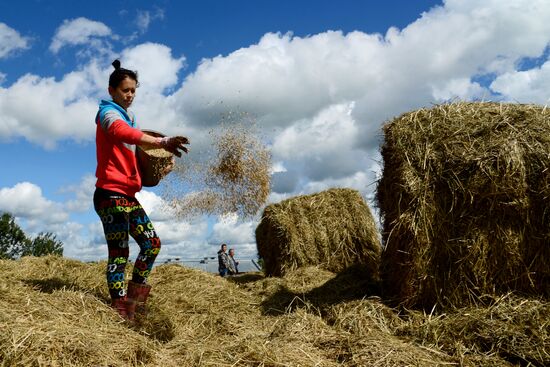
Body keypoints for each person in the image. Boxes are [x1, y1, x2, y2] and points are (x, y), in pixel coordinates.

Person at [93, 60, 189, 320]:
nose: (130, 95)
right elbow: (121, 132)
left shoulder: (129, 118)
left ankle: (135, 299)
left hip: (127, 196)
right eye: (125, 90)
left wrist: (158, 171)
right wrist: (161, 141)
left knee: (152, 243)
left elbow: (136, 168)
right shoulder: (108, 114)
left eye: (134, 90)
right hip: (109, 195)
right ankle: (120, 306)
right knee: (120, 252)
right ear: (112, 90)